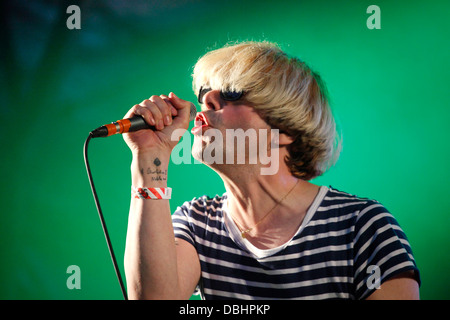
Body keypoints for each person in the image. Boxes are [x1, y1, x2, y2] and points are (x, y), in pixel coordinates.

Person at [123, 41, 420, 300]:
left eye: (232, 93)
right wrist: (150, 156)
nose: (206, 101)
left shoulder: (362, 226)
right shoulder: (197, 223)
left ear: (286, 129)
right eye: (203, 93)